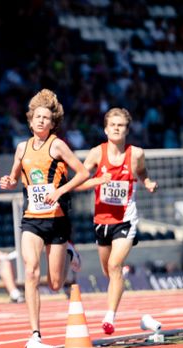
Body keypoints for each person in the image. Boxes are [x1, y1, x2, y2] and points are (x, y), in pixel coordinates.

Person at [0, 89, 89, 347]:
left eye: (46, 118)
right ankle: (35, 334)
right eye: (37, 117)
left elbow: (82, 173)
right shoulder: (21, 148)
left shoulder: (57, 145)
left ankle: (69, 252)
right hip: (32, 218)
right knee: (30, 271)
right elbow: (14, 178)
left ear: (52, 124)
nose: (40, 121)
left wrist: (59, 190)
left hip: (57, 219)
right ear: (30, 121)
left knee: (54, 283)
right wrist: (7, 181)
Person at [75, 107, 158, 335]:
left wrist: (147, 182)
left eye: (121, 125)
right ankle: (121, 274)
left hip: (126, 219)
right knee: (108, 271)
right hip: (102, 221)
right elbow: (78, 183)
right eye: (113, 125)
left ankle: (110, 317)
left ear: (127, 129)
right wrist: (98, 180)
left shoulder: (137, 153)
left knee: (114, 266)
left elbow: (142, 172)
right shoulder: (95, 153)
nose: (116, 129)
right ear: (105, 129)